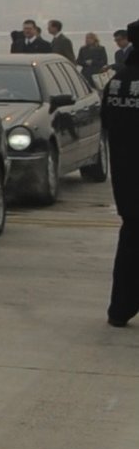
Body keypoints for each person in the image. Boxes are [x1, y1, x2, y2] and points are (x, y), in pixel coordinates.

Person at [102, 22, 139, 327]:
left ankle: (120, 309)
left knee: (129, 241)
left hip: (125, 178)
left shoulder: (116, 81)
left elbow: (107, 122)